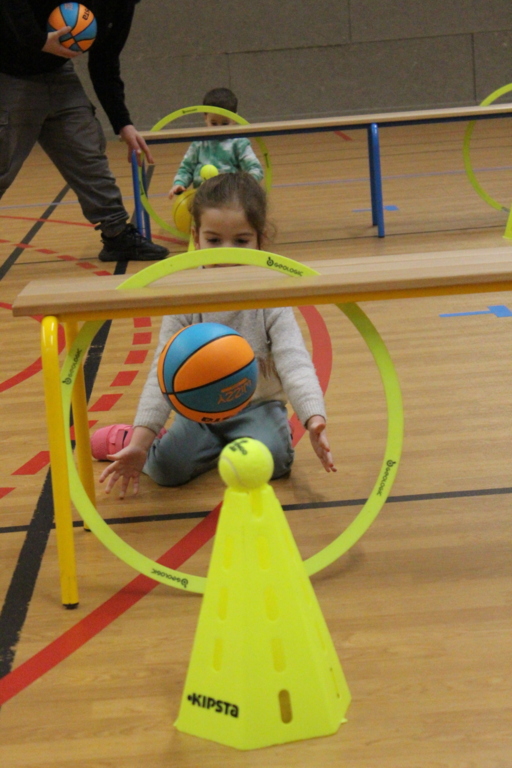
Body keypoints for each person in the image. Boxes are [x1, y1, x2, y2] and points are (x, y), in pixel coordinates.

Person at [93, 172, 336, 498]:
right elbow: (160, 375)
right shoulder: (184, 297)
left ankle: (226, 444)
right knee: (166, 470)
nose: (226, 254)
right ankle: (129, 440)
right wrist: (141, 441)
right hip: (197, 410)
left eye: (241, 241)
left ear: (260, 239)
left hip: (257, 407)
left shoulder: (271, 296)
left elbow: (295, 362)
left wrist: (313, 417)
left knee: (276, 463)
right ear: (196, 237)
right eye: (214, 240)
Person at [0, 1, 169, 262]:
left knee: (87, 151)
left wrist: (123, 123)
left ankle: (116, 235)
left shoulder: (122, 5)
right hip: (9, 73)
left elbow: (105, 61)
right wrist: (38, 40)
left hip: (58, 73)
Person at [168, 88, 264, 200]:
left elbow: (255, 169)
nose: (219, 129)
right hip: (202, 200)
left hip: (230, 199)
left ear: (235, 118)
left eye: (225, 123)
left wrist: (244, 185)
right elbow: (186, 168)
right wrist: (179, 183)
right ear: (205, 117)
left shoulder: (239, 143)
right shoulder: (198, 143)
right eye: (214, 123)